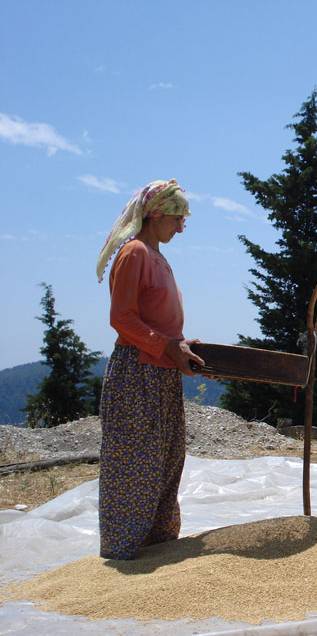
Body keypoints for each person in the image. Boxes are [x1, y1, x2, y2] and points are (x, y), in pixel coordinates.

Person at [94, 178, 205, 560]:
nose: (181, 226)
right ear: (156, 215)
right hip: (136, 373)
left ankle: (157, 548)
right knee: (136, 463)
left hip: (160, 373)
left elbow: (160, 322)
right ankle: (125, 549)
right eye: (177, 218)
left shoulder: (158, 257)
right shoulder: (135, 254)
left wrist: (182, 350)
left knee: (167, 458)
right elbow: (122, 319)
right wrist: (167, 348)